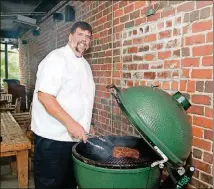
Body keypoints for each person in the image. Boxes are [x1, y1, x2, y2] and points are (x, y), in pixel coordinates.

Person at [31, 21, 95, 188]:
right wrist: (70, 123)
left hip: (74, 140)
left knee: (69, 183)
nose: (84, 39)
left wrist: (88, 123)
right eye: (80, 34)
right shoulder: (56, 59)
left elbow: (81, 98)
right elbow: (45, 96)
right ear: (70, 36)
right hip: (52, 140)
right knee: (51, 184)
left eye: (88, 36)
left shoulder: (85, 65)